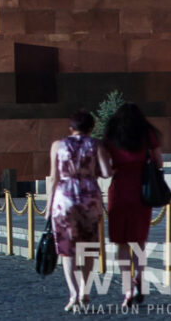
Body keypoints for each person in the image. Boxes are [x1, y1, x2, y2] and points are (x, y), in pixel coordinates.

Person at [46, 110, 113, 312]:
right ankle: (85, 289)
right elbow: (107, 171)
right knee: (88, 246)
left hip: (64, 199)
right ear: (91, 128)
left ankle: (73, 293)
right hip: (89, 197)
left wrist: (49, 207)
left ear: (71, 127)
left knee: (67, 249)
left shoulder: (58, 146)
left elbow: (53, 177)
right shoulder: (96, 145)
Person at [104, 103, 162, 308]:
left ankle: (128, 289)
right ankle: (139, 279)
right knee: (139, 242)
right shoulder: (146, 134)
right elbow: (159, 162)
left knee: (121, 243)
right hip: (142, 192)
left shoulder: (111, 135)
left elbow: (106, 166)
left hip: (119, 191)